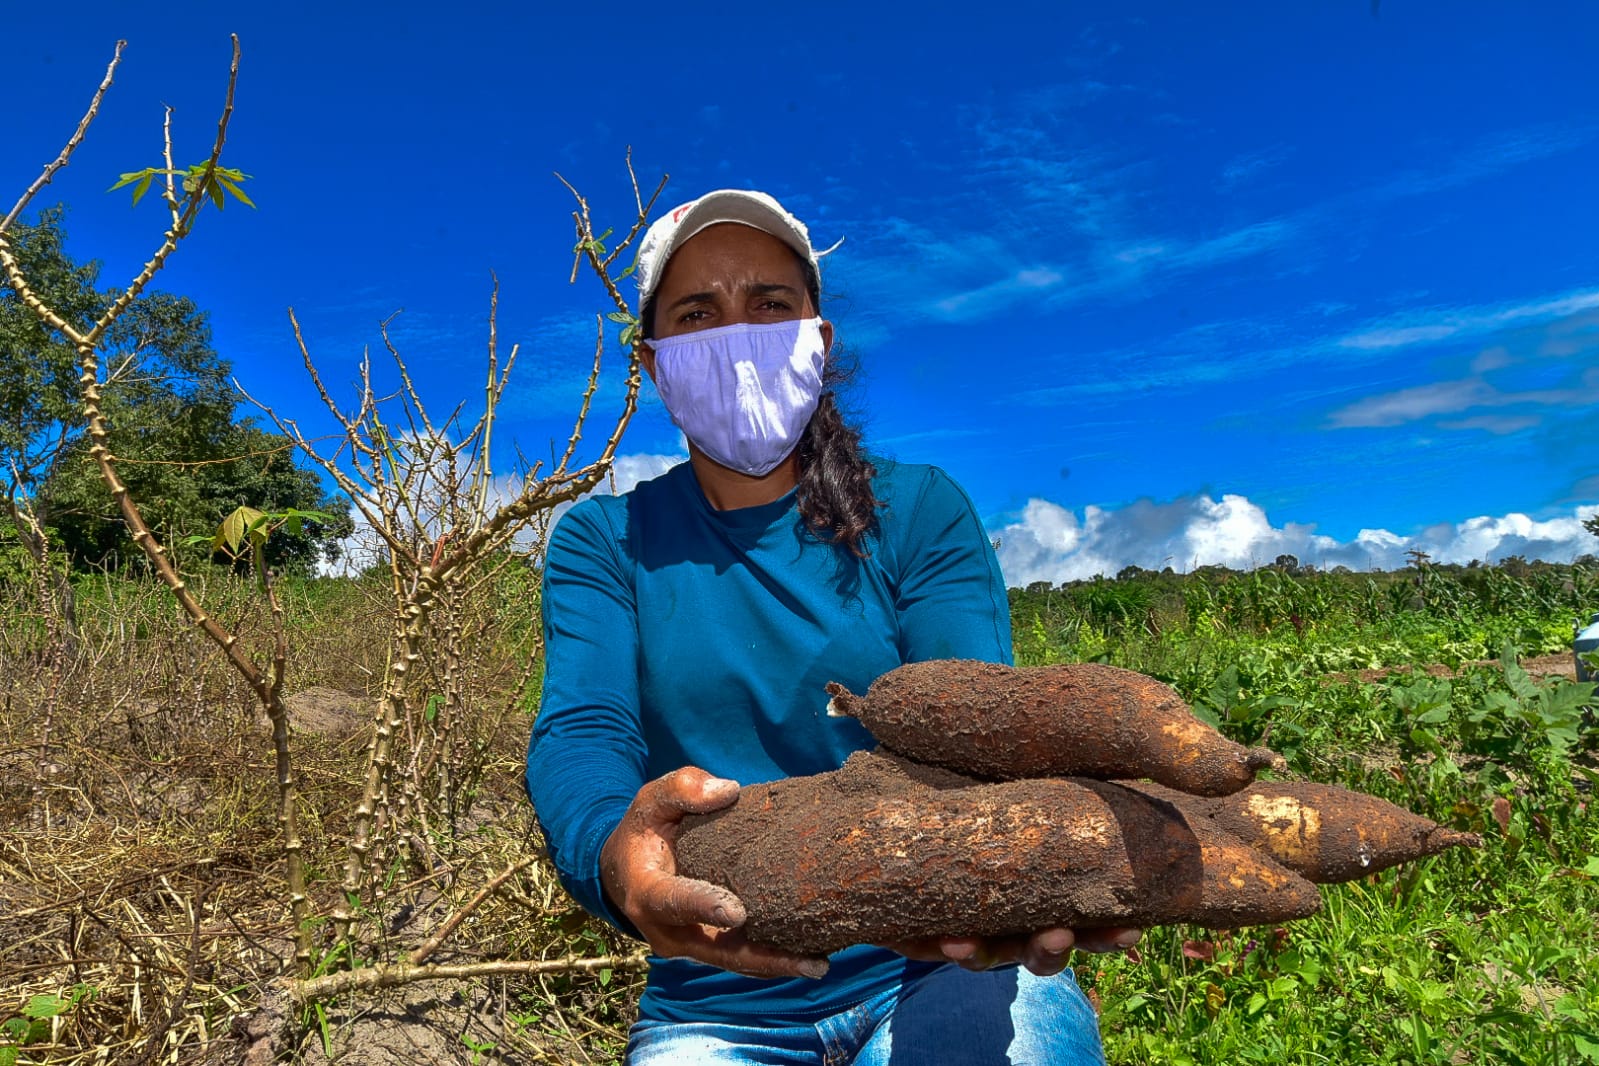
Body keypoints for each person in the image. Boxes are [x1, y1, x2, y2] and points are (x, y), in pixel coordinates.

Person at [526, 189, 1136, 1064]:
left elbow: (977, 719)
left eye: (769, 304)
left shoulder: (917, 511)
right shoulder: (606, 540)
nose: (737, 336)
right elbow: (584, 728)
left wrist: (1030, 863)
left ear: (818, 339)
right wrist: (615, 858)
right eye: (697, 314)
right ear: (654, 364)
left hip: (939, 961)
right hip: (711, 996)